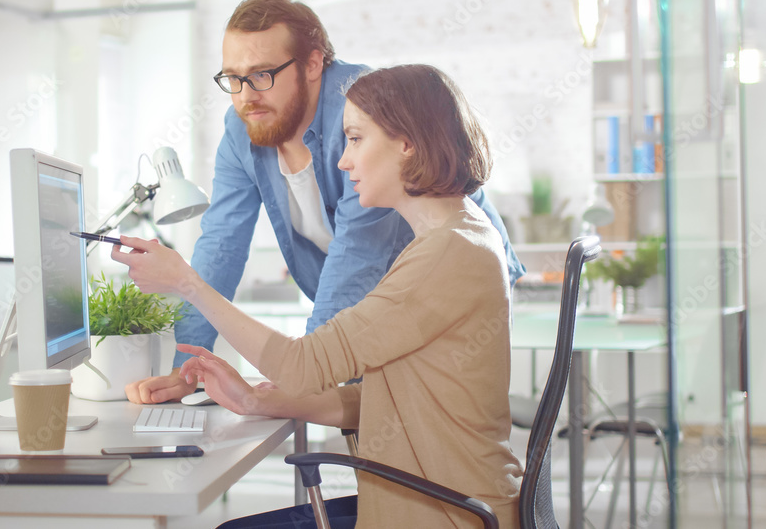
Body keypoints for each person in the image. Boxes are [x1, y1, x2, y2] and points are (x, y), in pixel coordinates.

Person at [111, 64, 522, 528]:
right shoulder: (454, 235)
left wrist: (187, 283)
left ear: (406, 143)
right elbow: (385, 400)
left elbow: (302, 366)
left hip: (444, 514)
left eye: (355, 138)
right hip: (451, 503)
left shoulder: (447, 253)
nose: (343, 161)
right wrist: (257, 401)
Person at [123, 0, 524, 405]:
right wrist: (184, 367)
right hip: (376, 301)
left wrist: (304, 372)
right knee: (382, 416)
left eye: (262, 75)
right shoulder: (245, 128)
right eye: (233, 78)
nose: (245, 96)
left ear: (313, 64)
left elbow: (359, 256)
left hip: (438, 284)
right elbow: (222, 244)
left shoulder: (365, 116)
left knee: (424, 418)